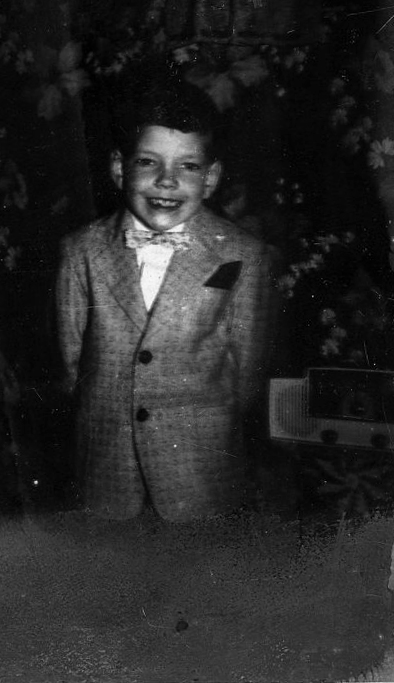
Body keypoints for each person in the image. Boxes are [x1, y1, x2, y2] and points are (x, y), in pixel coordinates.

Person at [55, 75, 272, 521]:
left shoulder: (243, 255)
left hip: (200, 470)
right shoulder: (82, 252)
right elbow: (72, 361)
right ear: (120, 169)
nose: (167, 181)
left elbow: (247, 373)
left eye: (188, 166)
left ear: (210, 178)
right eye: (148, 162)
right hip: (107, 468)